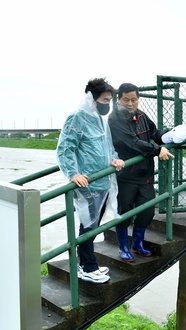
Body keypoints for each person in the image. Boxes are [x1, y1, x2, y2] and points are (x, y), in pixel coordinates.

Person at [56, 78, 125, 284]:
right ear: (92, 98)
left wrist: (115, 158)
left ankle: (86, 263)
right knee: (87, 225)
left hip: (103, 181)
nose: (108, 104)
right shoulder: (77, 118)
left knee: (93, 225)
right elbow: (65, 148)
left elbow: (107, 146)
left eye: (110, 100)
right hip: (87, 182)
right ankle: (87, 266)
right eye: (105, 100)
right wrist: (72, 174)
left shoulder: (99, 120)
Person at [108, 83, 186, 261]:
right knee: (125, 211)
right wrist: (158, 150)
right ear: (118, 99)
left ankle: (137, 244)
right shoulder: (114, 120)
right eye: (126, 99)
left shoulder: (141, 116)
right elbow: (133, 143)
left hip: (145, 175)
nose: (130, 103)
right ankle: (123, 247)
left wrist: (169, 135)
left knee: (147, 211)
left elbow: (154, 132)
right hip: (125, 176)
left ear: (138, 100)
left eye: (134, 100)